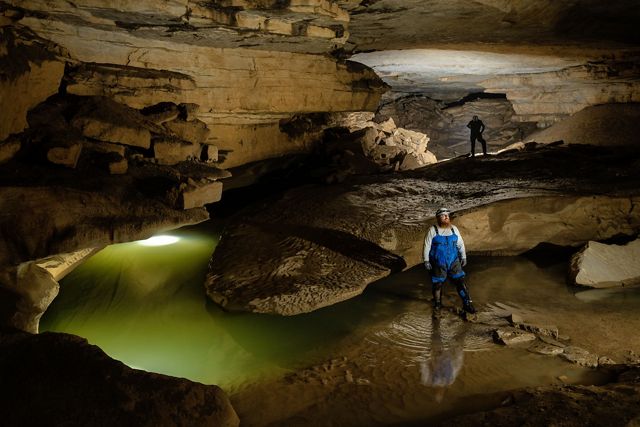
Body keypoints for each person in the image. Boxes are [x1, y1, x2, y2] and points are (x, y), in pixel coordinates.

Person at [423, 208, 476, 314]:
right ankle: (438, 304)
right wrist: (426, 260)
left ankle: (467, 304)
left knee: (460, 282)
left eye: (447, 215)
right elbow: (426, 246)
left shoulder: (454, 229)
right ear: (438, 218)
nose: (446, 217)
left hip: (453, 261)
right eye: (443, 215)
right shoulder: (432, 230)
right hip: (439, 262)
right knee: (437, 284)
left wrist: (464, 256)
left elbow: (460, 244)